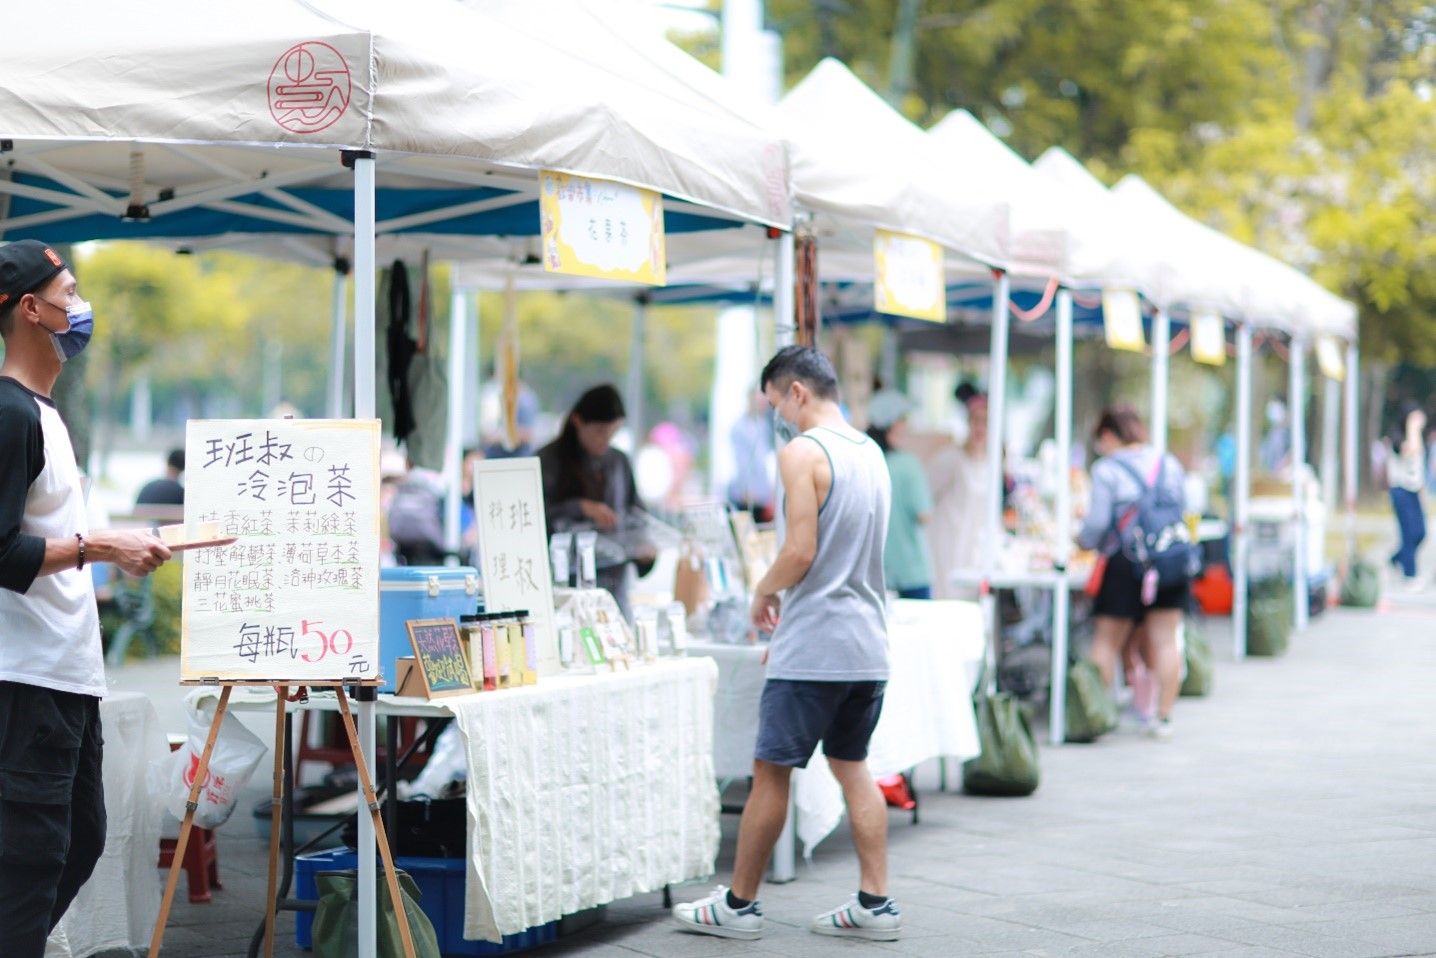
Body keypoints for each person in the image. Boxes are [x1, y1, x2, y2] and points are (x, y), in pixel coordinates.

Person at [673, 346, 900, 942]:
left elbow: (800, 551)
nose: (778, 415)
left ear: (797, 392)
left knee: (770, 773)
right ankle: (876, 904)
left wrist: (763, 591)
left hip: (816, 646)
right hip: (867, 643)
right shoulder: (871, 451)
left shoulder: (804, 452)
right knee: (854, 768)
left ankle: (740, 906)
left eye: (777, 403)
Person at [0, 240, 172, 957]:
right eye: (69, 292)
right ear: (31, 309)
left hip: (66, 678)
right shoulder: (9, 415)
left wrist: (113, 546)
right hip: (26, 679)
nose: (81, 307)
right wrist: (103, 547)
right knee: (29, 864)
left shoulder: (44, 415)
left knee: (80, 839)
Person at [1075, 406, 1190, 742]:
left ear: (1108, 436)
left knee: (1106, 641)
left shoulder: (1106, 469)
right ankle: (1164, 716)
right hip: (1168, 558)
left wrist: (1082, 541)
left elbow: (1096, 524)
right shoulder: (1168, 463)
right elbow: (1182, 507)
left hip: (1125, 561)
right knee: (1166, 640)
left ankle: (1100, 712)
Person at [537, 385, 649, 616]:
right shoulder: (547, 461)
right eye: (599, 431)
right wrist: (580, 508)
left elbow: (637, 515)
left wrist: (644, 548)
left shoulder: (619, 462)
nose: (605, 440)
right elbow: (535, 519)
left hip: (613, 591)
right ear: (578, 422)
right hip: (562, 587)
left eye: (612, 432)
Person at [867, 390, 933, 600]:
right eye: (904, 419)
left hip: (873, 573)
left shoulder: (865, 462)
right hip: (911, 572)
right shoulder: (908, 464)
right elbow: (925, 515)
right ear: (894, 424)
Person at [927, 384, 990, 598]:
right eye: (976, 421)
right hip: (949, 547)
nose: (980, 428)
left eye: (986, 422)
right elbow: (927, 496)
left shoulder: (992, 464)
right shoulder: (949, 459)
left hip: (976, 550)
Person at [1386, 402, 1426, 588]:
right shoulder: (1396, 436)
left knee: (1421, 533)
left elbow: (1417, 469)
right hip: (1400, 490)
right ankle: (1410, 575)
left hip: (1414, 490)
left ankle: (1395, 559)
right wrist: (1412, 428)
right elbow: (1410, 451)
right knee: (1408, 533)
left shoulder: (1417, 436)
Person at [727, 388, 776, 522]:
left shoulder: (763, 425)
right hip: (746, 494)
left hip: (762, 495)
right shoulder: (739, 427)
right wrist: (746, 490)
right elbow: (741, 463)